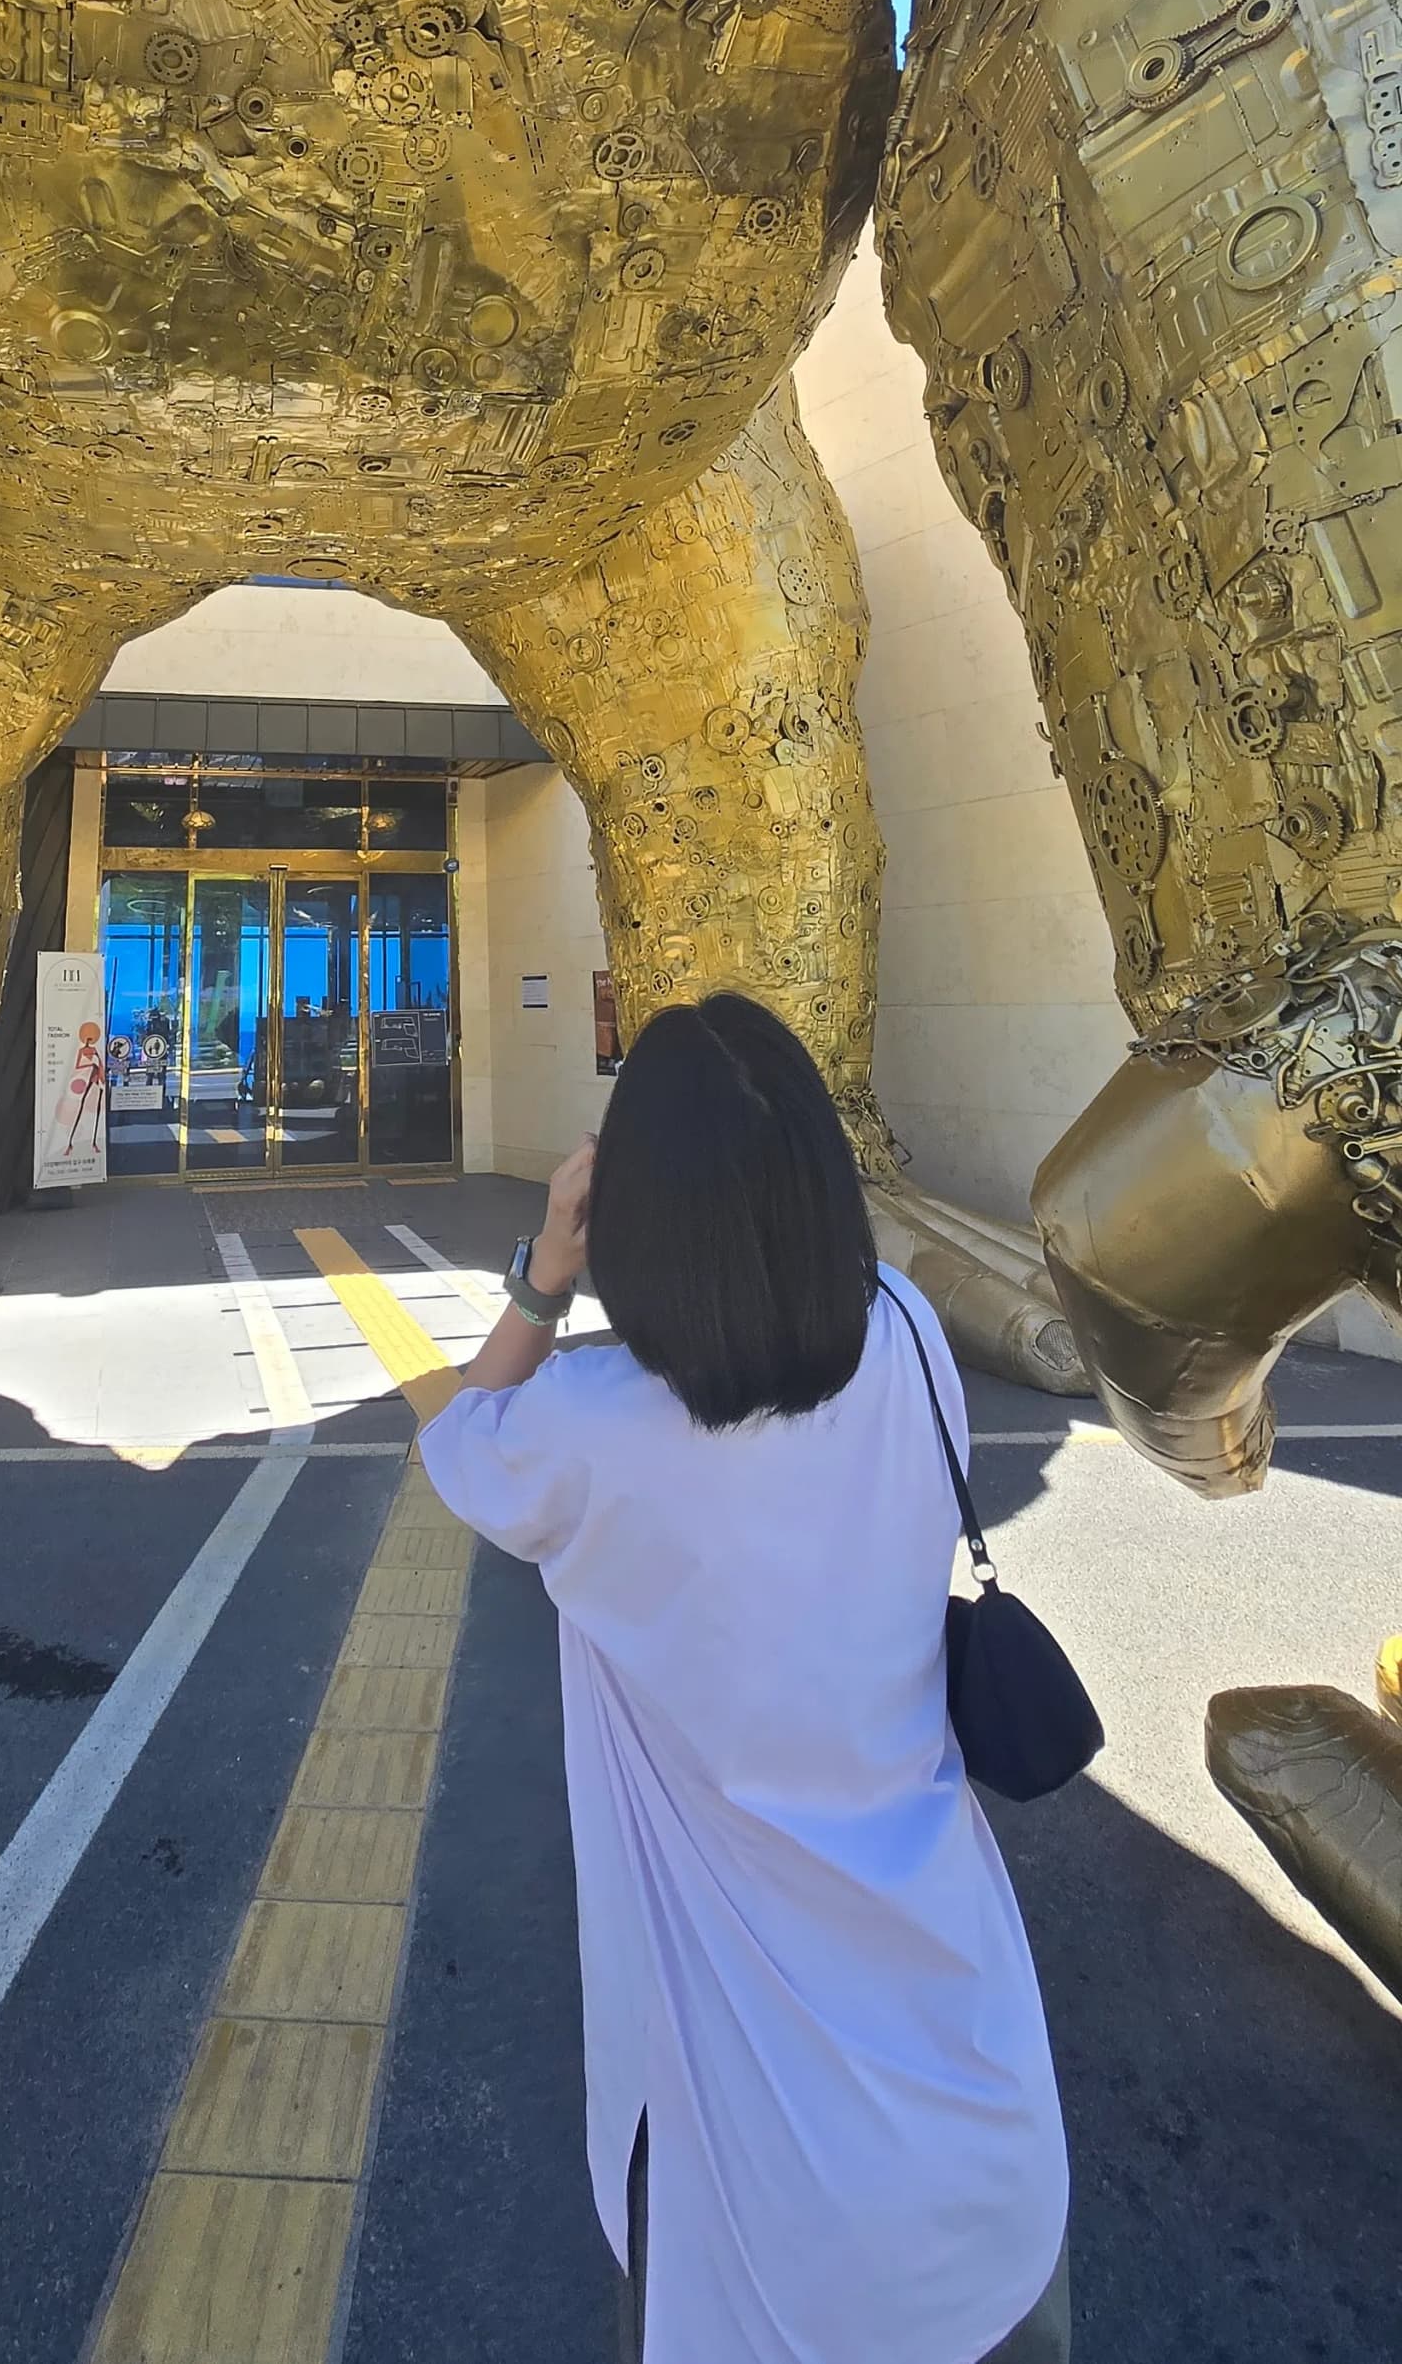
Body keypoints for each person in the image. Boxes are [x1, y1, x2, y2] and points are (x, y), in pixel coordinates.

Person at [419, 993, 1070, 2364]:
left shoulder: (587, 1434)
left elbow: (458, 1436)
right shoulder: (909, 1335)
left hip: (757, 2197)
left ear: (635, 1222)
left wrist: (544, 1272)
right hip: (988, 2125)